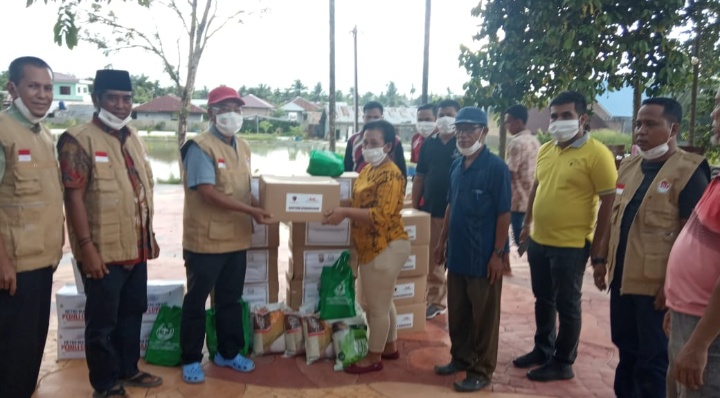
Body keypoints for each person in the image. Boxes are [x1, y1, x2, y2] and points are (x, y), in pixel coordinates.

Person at [594, 97, 710, 398]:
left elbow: (689, 237)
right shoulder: (630, 166)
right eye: (638, 123)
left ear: (672, 129)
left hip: (656, 289)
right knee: (626, 350)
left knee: (653, 359)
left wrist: (669, 287)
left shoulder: (689, 172)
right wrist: (600, 258)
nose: (640, 131)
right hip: (623, 280)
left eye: (650, 124)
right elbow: (614, 218)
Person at [58, 69, 162, 398]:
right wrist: (86, 248)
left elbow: (139, 192)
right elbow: (73, 196)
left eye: (127, 99)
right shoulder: (78, 139)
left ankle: (128, 370)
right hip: (102, 252)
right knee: (102, 324)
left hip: (136, 248)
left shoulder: (132, 136)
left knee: (132, 312)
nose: (120, 105)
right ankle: (104, 384)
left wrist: (150, 236)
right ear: (96, 99)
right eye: (112, 98)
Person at [513, 91, 618, 382]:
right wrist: (527, 223)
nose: (558, 121)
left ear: (583, 119)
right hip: (539, 240)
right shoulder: (547, 149)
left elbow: (608, 204)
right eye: (554, 116)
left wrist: (599, 253)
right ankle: (542, 349)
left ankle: (563, 361)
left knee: (567, 305)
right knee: (542, 299)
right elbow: (536, 187)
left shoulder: (598, 155)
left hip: (571, 246)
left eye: (566, 116)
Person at [179, 86, 272, 383]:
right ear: (211, 113)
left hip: (236, 238)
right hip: (205, 241)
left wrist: (262, 207)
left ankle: (228, 353)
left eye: (236, 108)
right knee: (197, 300)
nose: (231, 115)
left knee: (230, 300)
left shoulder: (242, 146)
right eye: (224, 109)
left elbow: (243, 189)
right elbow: (207, 193)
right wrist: (251, 212)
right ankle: (191, 358)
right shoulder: (199, 147)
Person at [432, 107, 511, 392]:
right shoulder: (457, 166)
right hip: (459, 256)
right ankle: (461, 358)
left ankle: (481, 370)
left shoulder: (496, 168)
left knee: (484, 319)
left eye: (470, 129)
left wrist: (498, 255)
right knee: (459, 313)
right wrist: (441, 243)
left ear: (484, 132)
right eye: (460, 129)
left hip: (484, 260)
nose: (464, 135)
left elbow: (504, 214)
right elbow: (451, 206)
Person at [323, 119, 410, 375]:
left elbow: (381, 215)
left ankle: (373, 357)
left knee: (376, 307)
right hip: (370, 247)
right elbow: (360, 200)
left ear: (389, 146)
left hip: (386, 245)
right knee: (381, 300)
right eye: (365, 143)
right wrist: (331, 201)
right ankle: (389, 346)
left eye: (374, 143)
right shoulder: (368, 170)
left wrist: (344, 212)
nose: (368, 148)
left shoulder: (392, 174)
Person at [0, 56, 64, 398]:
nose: (42, 95)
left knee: (30, 350)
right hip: (14, 268)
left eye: (48, 87)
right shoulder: (3, 131)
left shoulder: (44, 135)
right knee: (12, 355)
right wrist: (3, 260)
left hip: (42, 262)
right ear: (13, 88)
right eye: (33, 86)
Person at [664, 84, 720, 397]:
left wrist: (699, 344)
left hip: (709, 331)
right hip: (690, 314)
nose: (714, 113)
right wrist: (676, 303)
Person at [412, 99, 461, 320]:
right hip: (432, 209)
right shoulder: (428, 145)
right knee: (435, 260)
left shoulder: (463, 143)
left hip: (459, 212)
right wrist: (414, 207)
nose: (444, 118)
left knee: (457, 259)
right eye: (441, 114)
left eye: (449, 114)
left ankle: (459, 302)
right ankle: (436, 301)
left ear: (458, 117)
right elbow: (420, 177)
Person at [504, 104, 540, 252]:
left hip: (518, 199)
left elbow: (510, 172)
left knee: (521, 238)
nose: (506, 125)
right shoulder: (534, 140)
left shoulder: (516, 143)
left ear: (518, 122)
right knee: (526, 233)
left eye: (508, 121)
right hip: (532, 197)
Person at [343, 101, 407, 180]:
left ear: (382, 118)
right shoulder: (353, 140)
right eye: (368, 117)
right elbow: (347, 167)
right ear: (363, 118)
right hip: (358, 184)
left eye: (376, 117)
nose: (372, 120)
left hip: (385, 182)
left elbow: (401, 169)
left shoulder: (394, 140)